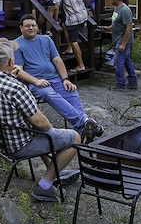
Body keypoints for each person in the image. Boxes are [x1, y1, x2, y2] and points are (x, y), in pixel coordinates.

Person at [0, 38, 80, 202]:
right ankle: (45, 186)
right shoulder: (15, 88)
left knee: (36, 128)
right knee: (74, 138)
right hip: (19, 146)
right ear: (11, 61)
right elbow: (43, 124)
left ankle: (54, 170)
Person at [11, 13, 103, 143]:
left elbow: (57, 60)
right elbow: (18, 71)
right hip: (35, 83)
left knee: (71, 91)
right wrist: (36, 81)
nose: (30, 28)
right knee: (49, 94)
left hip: (54, 78)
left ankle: (82, 129)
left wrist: (65, 79)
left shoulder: (46, 40)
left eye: (33, 25)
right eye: (27, 26)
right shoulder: (17, 45)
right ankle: (84, 122)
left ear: (37, 27)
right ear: (21, 28)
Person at [53, 0, 91, 72]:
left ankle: (81, 65)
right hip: (83, 16)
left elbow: (56, 7)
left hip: (73, 19)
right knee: (64, 26)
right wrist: (86, 7)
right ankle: (69, 48)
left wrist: (55, 20)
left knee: (74, 41)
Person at [109, 0, 138, 90]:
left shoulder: (125, 10)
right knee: (127, 61)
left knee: (118, 63)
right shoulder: (117, 9)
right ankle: (133, 83)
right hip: (119, 39)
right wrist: (108, 28)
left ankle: (121, 85)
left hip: (122, 40)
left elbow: (129, 28)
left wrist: (123, 44)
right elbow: (116, 22)